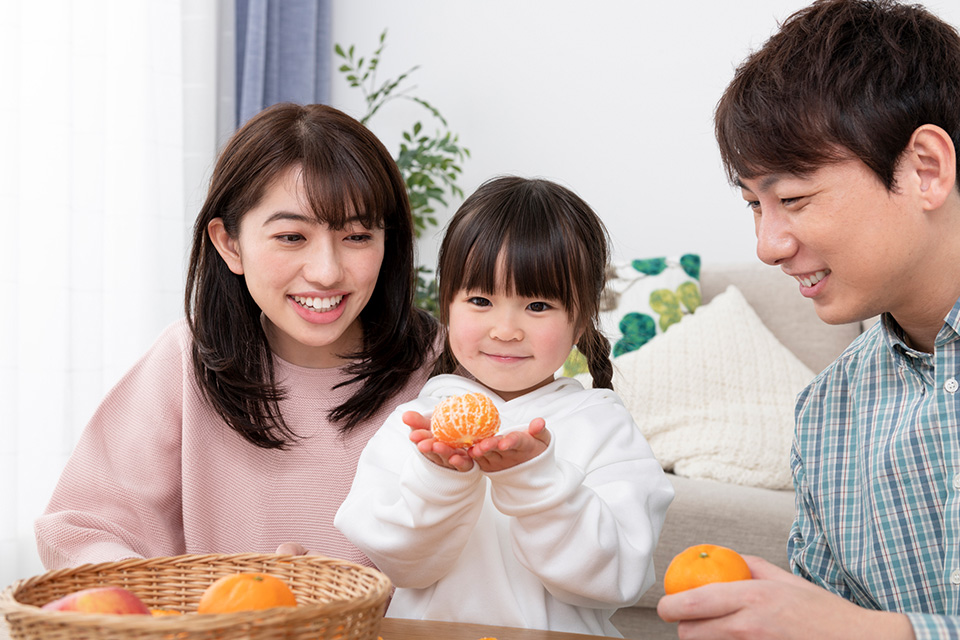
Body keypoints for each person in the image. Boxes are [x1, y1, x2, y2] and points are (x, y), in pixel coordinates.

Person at [656, 1, 960, 638]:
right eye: (754, 205)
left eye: (792, 198)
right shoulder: (829, 414)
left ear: (925, 169)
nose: (768, 245)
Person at [35, 103, 439, 569]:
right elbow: (81, 529)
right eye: (292, 237)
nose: (327, 272)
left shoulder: (445, 366)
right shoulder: (186, 361)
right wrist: (212, 600)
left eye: (357, 236)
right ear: (230, 244)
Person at [334, 176, 674, 636]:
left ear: (580, 322)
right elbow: (401, 567)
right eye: (480, 300)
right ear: (447, 307)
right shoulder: (415, 426)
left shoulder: (603, 427)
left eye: (537, 305)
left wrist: (535, 480)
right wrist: (440, 479)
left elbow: (615, 579)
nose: (506, 329)